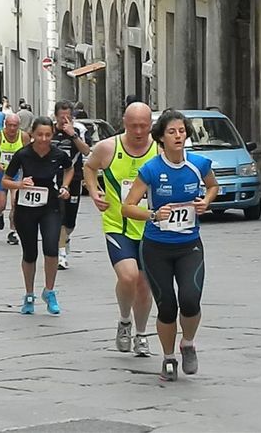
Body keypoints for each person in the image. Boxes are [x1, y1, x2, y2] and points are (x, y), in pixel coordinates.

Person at [122, 109, 219, 382]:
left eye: (181, 131)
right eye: (172, 132)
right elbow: (127, 208)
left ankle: (187, 343)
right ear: (161, 138)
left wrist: (206, 201)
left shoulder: (198, 164)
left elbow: (213, 186)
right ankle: (168, 357)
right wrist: (153, 214)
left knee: (190, 299)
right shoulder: (152, 169)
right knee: (167, 306)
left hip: (189, 245)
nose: (178, 136)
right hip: (156, 247)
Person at [84, 102, 158, 357]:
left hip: (151, 227)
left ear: (151, 125)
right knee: (128, 277)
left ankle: (141, 333)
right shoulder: (108, 147)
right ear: (124, 123)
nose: (138, 131)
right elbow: (89, 167)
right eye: (133, 125)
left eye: (144, 126)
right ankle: (124, 320)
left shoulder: (160, 150)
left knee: (144, 285)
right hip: (118, 225)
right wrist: (95, 192)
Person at [2, 117, 73, 315]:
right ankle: (29, 294)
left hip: (50, 206)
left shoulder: (58, 154)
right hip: (26, 209)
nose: (43, 139)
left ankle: (49, 291)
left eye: (48, 135)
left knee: (51, 249)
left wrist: (65, 186)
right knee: (30, 253)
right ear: (32, 134)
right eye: (39, 134)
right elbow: (6, 180)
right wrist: (19, 184)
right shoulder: (23, 154)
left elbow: (70, 168)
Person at [52, 100, 92, 269]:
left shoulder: (79, 130)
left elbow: (86, 151)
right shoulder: (50, 130)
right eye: (62, 117)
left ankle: (65, 239)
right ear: (56, 116)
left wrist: (72, 135)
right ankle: (61, 254)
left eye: (68, 117)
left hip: (74, 178)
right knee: (58, 217)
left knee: (70, 222)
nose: (65, 121)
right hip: (53, 179)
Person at [0, 114, 30, 245]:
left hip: (16, 175)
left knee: (16, 203)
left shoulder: (24, 137)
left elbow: (30, 153)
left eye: (15, 125)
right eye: (10, 125)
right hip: (0, 174)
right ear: (5, 125)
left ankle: (13, 231)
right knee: (1, 204)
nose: (12, 128)